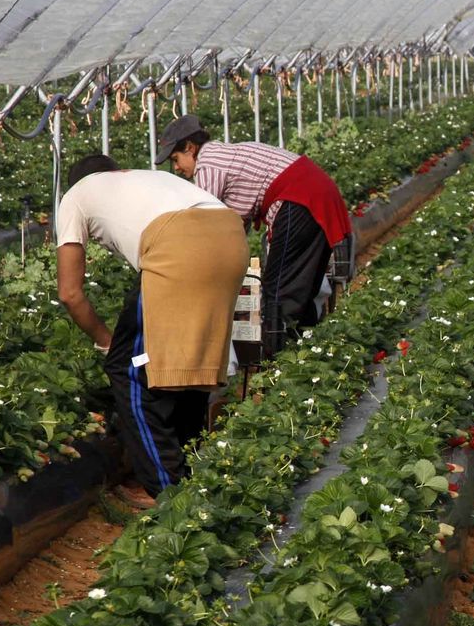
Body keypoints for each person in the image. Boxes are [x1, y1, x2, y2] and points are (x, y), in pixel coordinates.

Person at [55, 154, 248, 503]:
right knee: (192, 361)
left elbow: (69, 293)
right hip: (230, 236)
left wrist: (106, 341)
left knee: (126, 369)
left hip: (178, 242)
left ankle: (168, 490)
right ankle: (192, 472)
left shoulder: (75, 196)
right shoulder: (143, 179)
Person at [157, 114, 350, 351]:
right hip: (315, 192)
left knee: (279, 289)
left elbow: (206, 226)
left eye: (176, 159)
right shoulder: (223, 155)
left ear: (190, 147)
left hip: (298, 198)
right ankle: (307, 348)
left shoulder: (208, 163)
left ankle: (278, 356)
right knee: (302, 283)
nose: (177, 168)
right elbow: (232, 227)